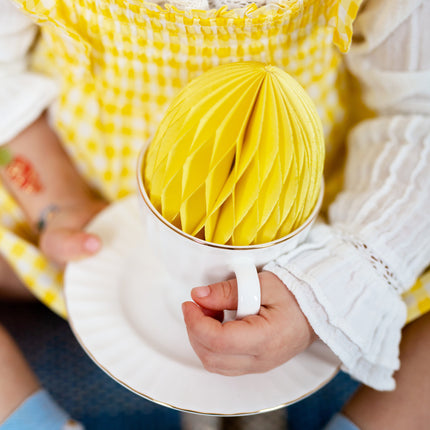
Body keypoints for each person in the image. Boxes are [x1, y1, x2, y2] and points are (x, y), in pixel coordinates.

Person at [0, 0, 428, 428]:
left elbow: (416, 109)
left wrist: (331, 285)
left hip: (323, 215)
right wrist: (56, 203)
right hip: (89, 196)